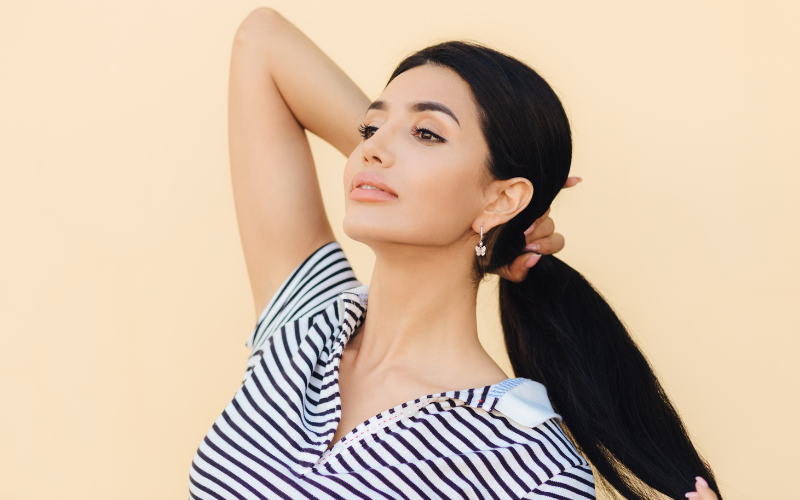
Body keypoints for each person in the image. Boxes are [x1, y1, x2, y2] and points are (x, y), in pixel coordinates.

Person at [188, 8, 722, 500]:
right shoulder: (308, 319)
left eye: (427, 132)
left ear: (504, 196)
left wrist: (477, 205)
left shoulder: (532, 467)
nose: (369, 148)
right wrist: (430, 175)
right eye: (370, 128)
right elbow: (260, 40)